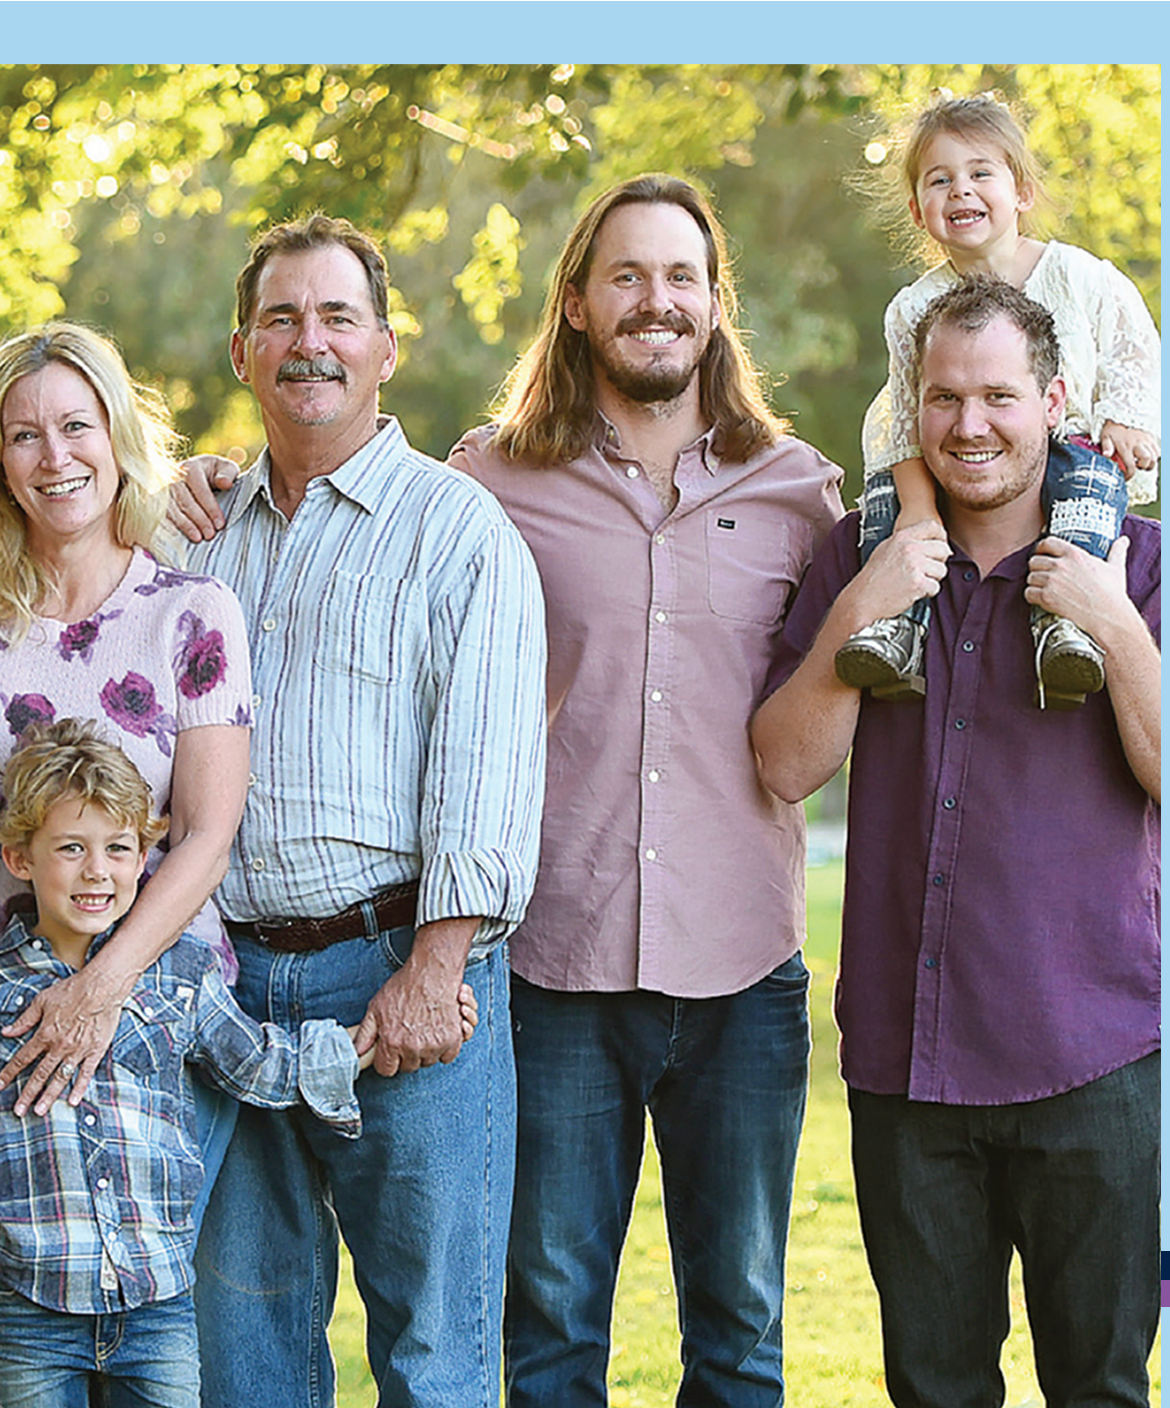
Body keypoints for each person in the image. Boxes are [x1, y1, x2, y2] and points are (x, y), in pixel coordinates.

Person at [447, 174, 844, 1406]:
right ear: (576, 303)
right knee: (553, 1330)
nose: (654, 301)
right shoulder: (486, 482)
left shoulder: (799, 490)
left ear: (715, 305)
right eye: (626, 276)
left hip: (744, 972)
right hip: (555, 967)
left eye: (680, 277)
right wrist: (198, 483)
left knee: (740, 1335)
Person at [0, 720, 477, 1408]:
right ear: (21, 858)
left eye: (118, 848)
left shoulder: (180, 975)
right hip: (32, 1311)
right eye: (71, 848)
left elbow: (263, 1066)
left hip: (158, 1308)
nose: (97, 870)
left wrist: (363, 1040)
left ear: (143, 855)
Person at [751, 276, 1159, 1408]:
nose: (968, 424)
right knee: (932, 1389)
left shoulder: (1149, 563)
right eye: (943, 398)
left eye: (997, 397)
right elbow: (782, 767)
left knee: (1103, 1387)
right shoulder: (857, 560)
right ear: (913, 406)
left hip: (1099, 1057)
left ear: (1055, 400)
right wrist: (860, 606)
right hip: (908, 1064)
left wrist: (1112, 619)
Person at [171, 213, 547, 1408]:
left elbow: (488, 764)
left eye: (337, 317)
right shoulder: (194, 542)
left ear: (385, 347)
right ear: (242, 351)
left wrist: (439, 966)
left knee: (433, 1356)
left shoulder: (456, 531)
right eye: (281, 318)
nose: (309, 342)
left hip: (401, 979)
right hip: (225, 992)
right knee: (247, 1360)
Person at [0, 323, 255, 1400]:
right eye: (22, 435)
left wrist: (101, 988)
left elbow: (207, 828)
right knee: (2, 1352)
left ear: (118, 437)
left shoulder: (190, 613)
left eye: (76, 425)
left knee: (148, 1349)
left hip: (154, 1015)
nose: (54, 455)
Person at [838, 92, 1159, 709]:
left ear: (1022, 192)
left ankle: (1066, 631)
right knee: (883, 506)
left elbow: (1133, 342)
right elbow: (905, 417)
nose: (960, 191)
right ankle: (894, 630)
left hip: (1074, 445)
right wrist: (916, 509)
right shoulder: (912, 308)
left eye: (981, 173)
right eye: (940, 180)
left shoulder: (1077, 276)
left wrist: (1126, 417)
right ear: (916, 208)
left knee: (1087, 491)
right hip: (956, 461)